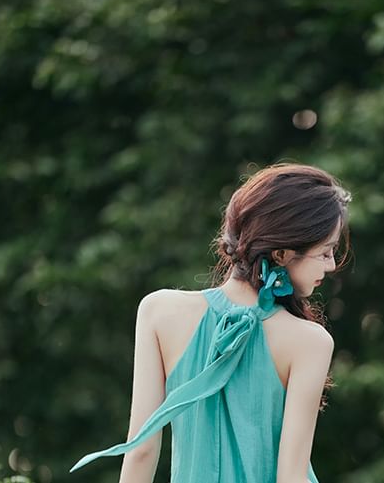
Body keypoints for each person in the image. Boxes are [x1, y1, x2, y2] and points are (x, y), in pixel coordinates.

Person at [69, 162, 352, 483]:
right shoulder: (310, 341)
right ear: (282, 253)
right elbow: (291, 477)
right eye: (326, 252)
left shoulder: (158, 311)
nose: (331, 265)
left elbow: (141, 452)